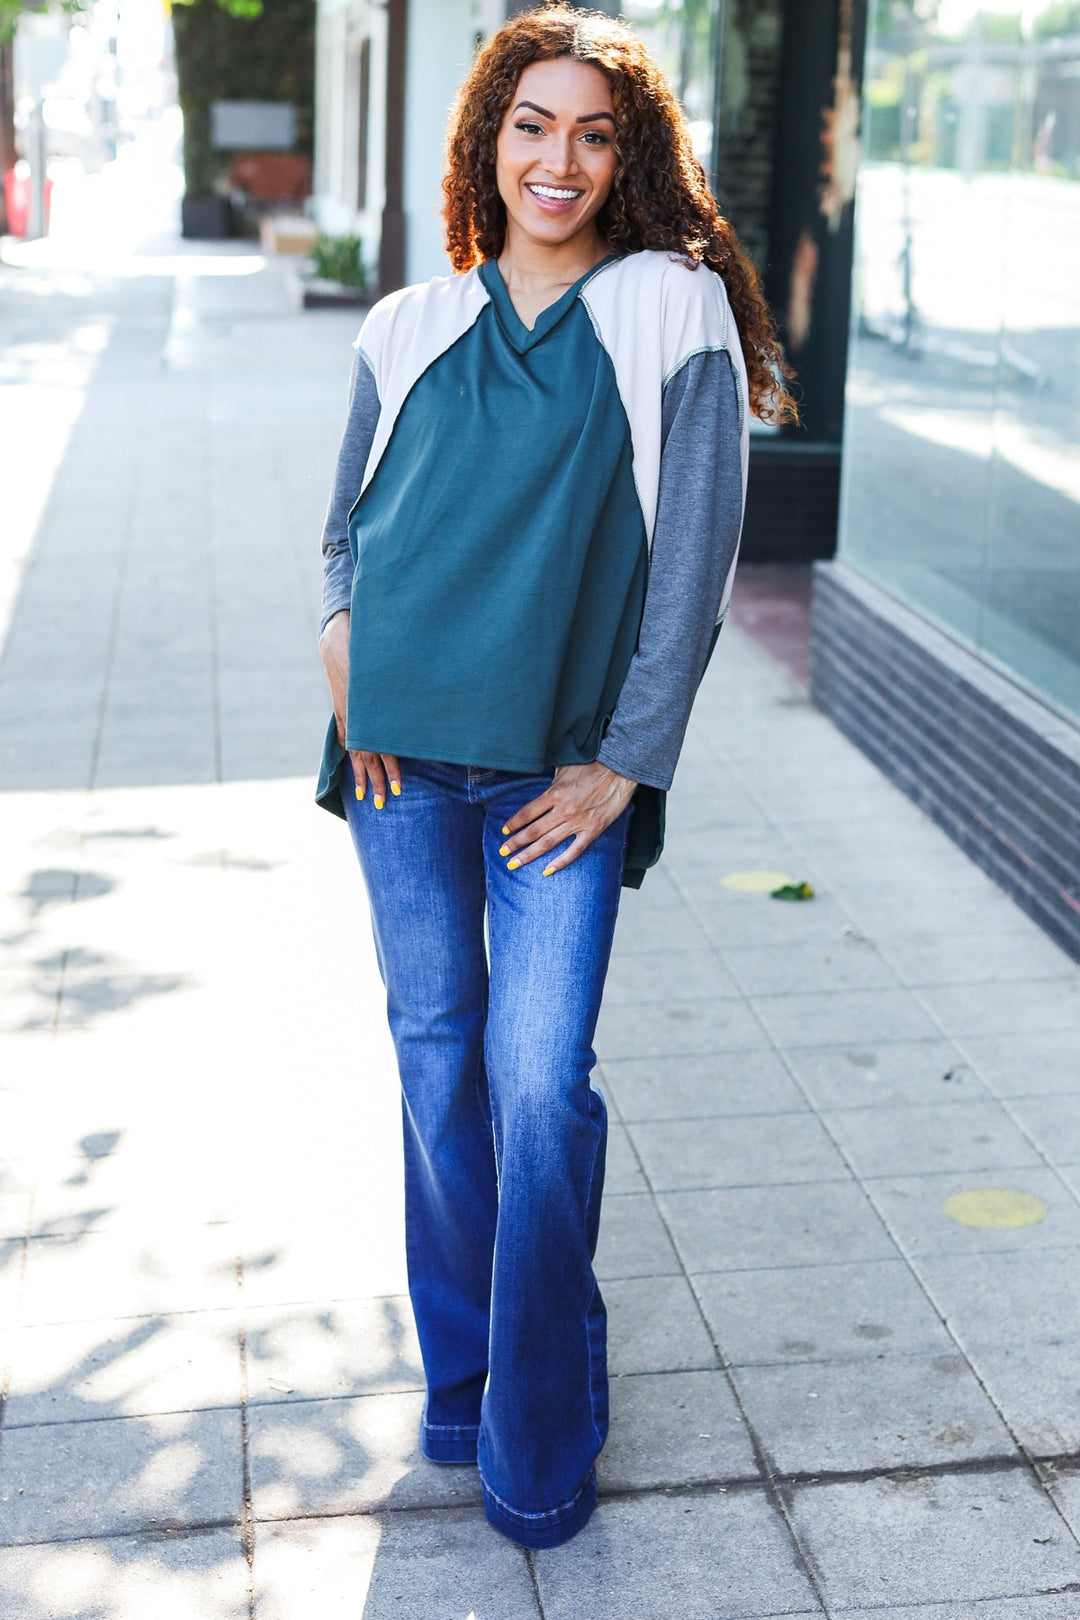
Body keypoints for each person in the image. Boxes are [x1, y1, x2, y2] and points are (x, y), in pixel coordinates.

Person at [315, 3, 796, 1550]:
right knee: (437, 1065)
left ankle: (539, 1428)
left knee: (537, 1083)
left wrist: (625, 765)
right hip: (394, 761)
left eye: (595, 133)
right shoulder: (407, 322)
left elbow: (696, 562)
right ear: (490, 139)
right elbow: (345, 532)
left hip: (558, 781)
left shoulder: (668, 306)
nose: (560, 159)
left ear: (627, 155)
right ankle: (466, 1381)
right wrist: (340, 651)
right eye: (534, 125)